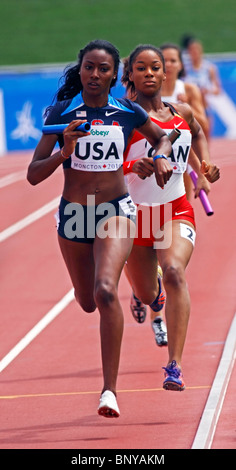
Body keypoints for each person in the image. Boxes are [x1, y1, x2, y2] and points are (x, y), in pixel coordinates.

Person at [27, 39, 173, 418]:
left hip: (114, 210)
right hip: (75, 216)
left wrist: (159, 158)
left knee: (106, 291)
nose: (95, 74)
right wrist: (64, 151)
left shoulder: (127, 110)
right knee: (88, 301)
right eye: (89, 67)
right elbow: (32, 175)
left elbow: (164, 137)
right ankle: (136, 285)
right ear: (81, 70)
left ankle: (109, 391)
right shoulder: (62, 112)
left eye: (103, 69)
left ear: (114, 75)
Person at [121, 44, 220, 391]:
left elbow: (197, 135)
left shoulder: (183, 112)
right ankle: (151, 296)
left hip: (175, 211)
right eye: (141, 68)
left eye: (155, 67)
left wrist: (203, 169)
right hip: (134, 220)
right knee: (149, 293)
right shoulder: (121, 118)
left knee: (175, 271)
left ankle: (174, 365)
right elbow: (101, 171)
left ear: (167, 74)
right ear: (130, 74)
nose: (149, 73)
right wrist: (135, 165)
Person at [160, 42, 211, 200]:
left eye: (173, 60)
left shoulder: (188, 89)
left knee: (182, 204)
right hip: (153, 153)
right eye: (164, 60)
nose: (168, 64)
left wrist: (188, 107)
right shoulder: (148, 89)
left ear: (180, 64)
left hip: (182, 155)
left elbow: (203, 124)